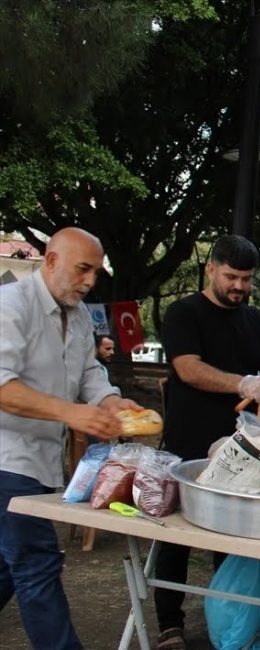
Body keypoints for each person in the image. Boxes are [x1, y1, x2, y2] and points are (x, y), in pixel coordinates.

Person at [0, 227, 142, 649]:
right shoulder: (10, 306)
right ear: (50, 260)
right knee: (37, 564)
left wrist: (111, 401)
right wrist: (73, 413)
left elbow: (88, 375)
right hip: (6, 458)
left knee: (12, 565)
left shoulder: (79, 316)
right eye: (83, 269)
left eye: (96, 273)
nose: (89, 281)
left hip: (43, 460)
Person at [155, 235, 260, 649]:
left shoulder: (253, 319)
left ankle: (232, 621)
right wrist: (242, 382)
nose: (238, 286)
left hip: (245, 446)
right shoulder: (184, 313)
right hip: (190, 441)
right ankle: (169, 624)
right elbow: (188, 369)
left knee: (235, 536)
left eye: (246, 279)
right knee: (176, 536)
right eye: (231, 276)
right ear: (211, 268)